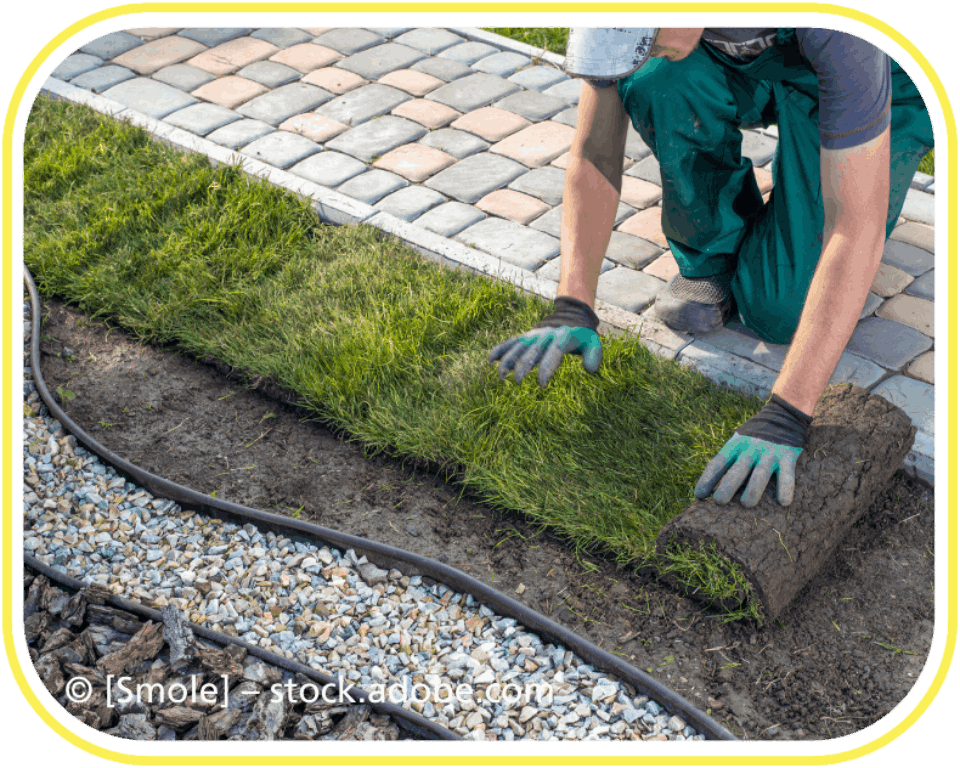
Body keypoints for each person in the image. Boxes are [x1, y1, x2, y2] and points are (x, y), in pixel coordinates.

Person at [490, 27, 934, 508]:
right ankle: (715, 256)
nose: (642, 47)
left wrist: (787, 413)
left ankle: (808, 197)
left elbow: (854, 223)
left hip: (886, 75)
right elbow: (594, 153)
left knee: (781, 311)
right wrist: (572, 304)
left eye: (647, 33)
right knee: (655, 79)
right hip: (752, 57)